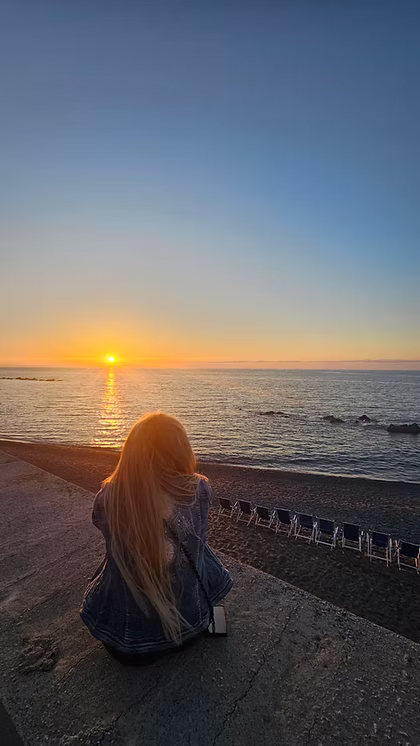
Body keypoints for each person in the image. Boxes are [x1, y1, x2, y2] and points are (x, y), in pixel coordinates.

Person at [80, 412, 232, 664]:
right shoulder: (199, 490)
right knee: (197, 550)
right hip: (190, 629)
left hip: (127, 646)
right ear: (182, 451)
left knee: (116, 557)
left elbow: (99, 524)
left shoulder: (108, 499)